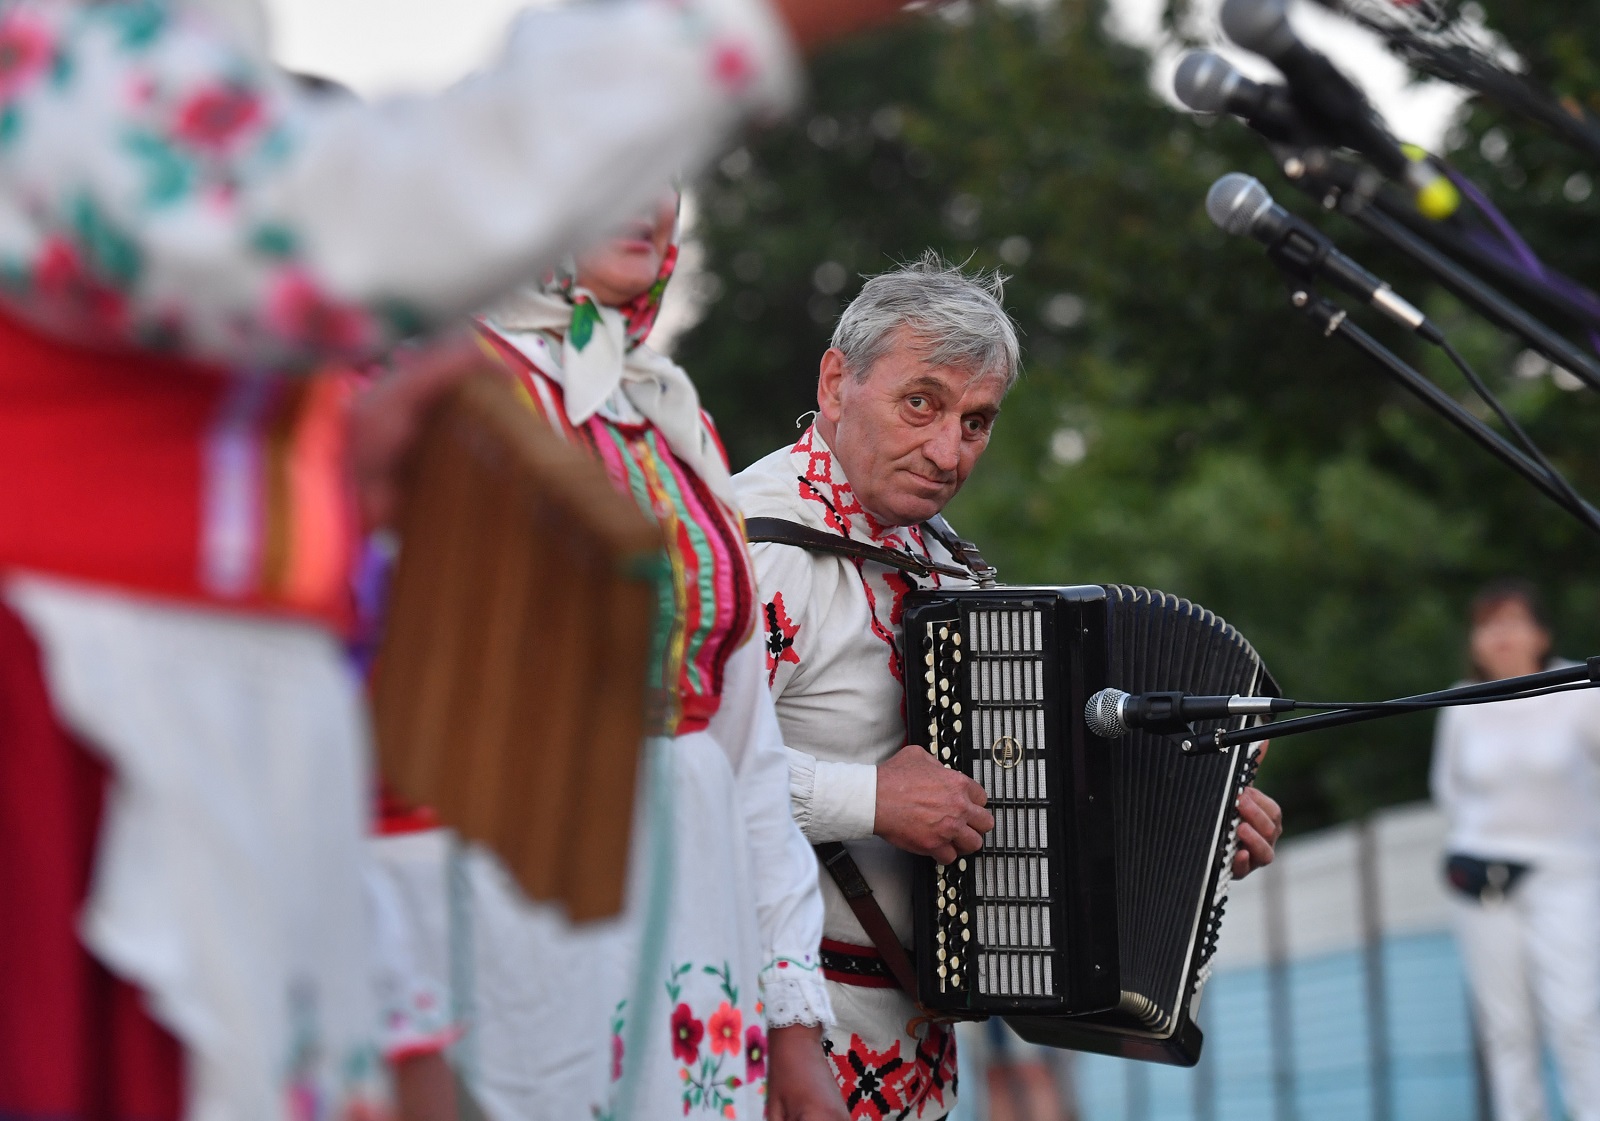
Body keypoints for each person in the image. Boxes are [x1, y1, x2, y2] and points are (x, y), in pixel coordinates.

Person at [0, 0, 917, 1116]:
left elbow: (742, 727)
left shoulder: (672, 421)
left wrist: (316, 487)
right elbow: (334, 221)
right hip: (109, 726)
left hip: (633, 903)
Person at [732, 254, 1285, 1119]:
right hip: (764, 1049)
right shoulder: (749, 550)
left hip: (915, 1051)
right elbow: (651, 772)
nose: (949, 450)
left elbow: (1023, 806)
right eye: (922, 402)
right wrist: (869, 796)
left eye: (977, 421)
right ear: (837, 381)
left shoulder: (949, 566)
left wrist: (1196, 821)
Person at [368, 192, 843, 1121]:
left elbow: (749, 749)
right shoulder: (443, 398)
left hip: (700, 906)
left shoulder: (673, 421)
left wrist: (792, 1018)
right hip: (527, 905)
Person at [1431, 579, 1600, 1121]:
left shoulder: (1581, 689)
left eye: (1512, 621)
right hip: (1484, 881)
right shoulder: (1460, 704)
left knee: (1576, 1015)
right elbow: (1449, 792)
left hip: (1567, 872)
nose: (1500, 635)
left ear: (1541, 632)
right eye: (1487, 623)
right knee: (1506, 1029)